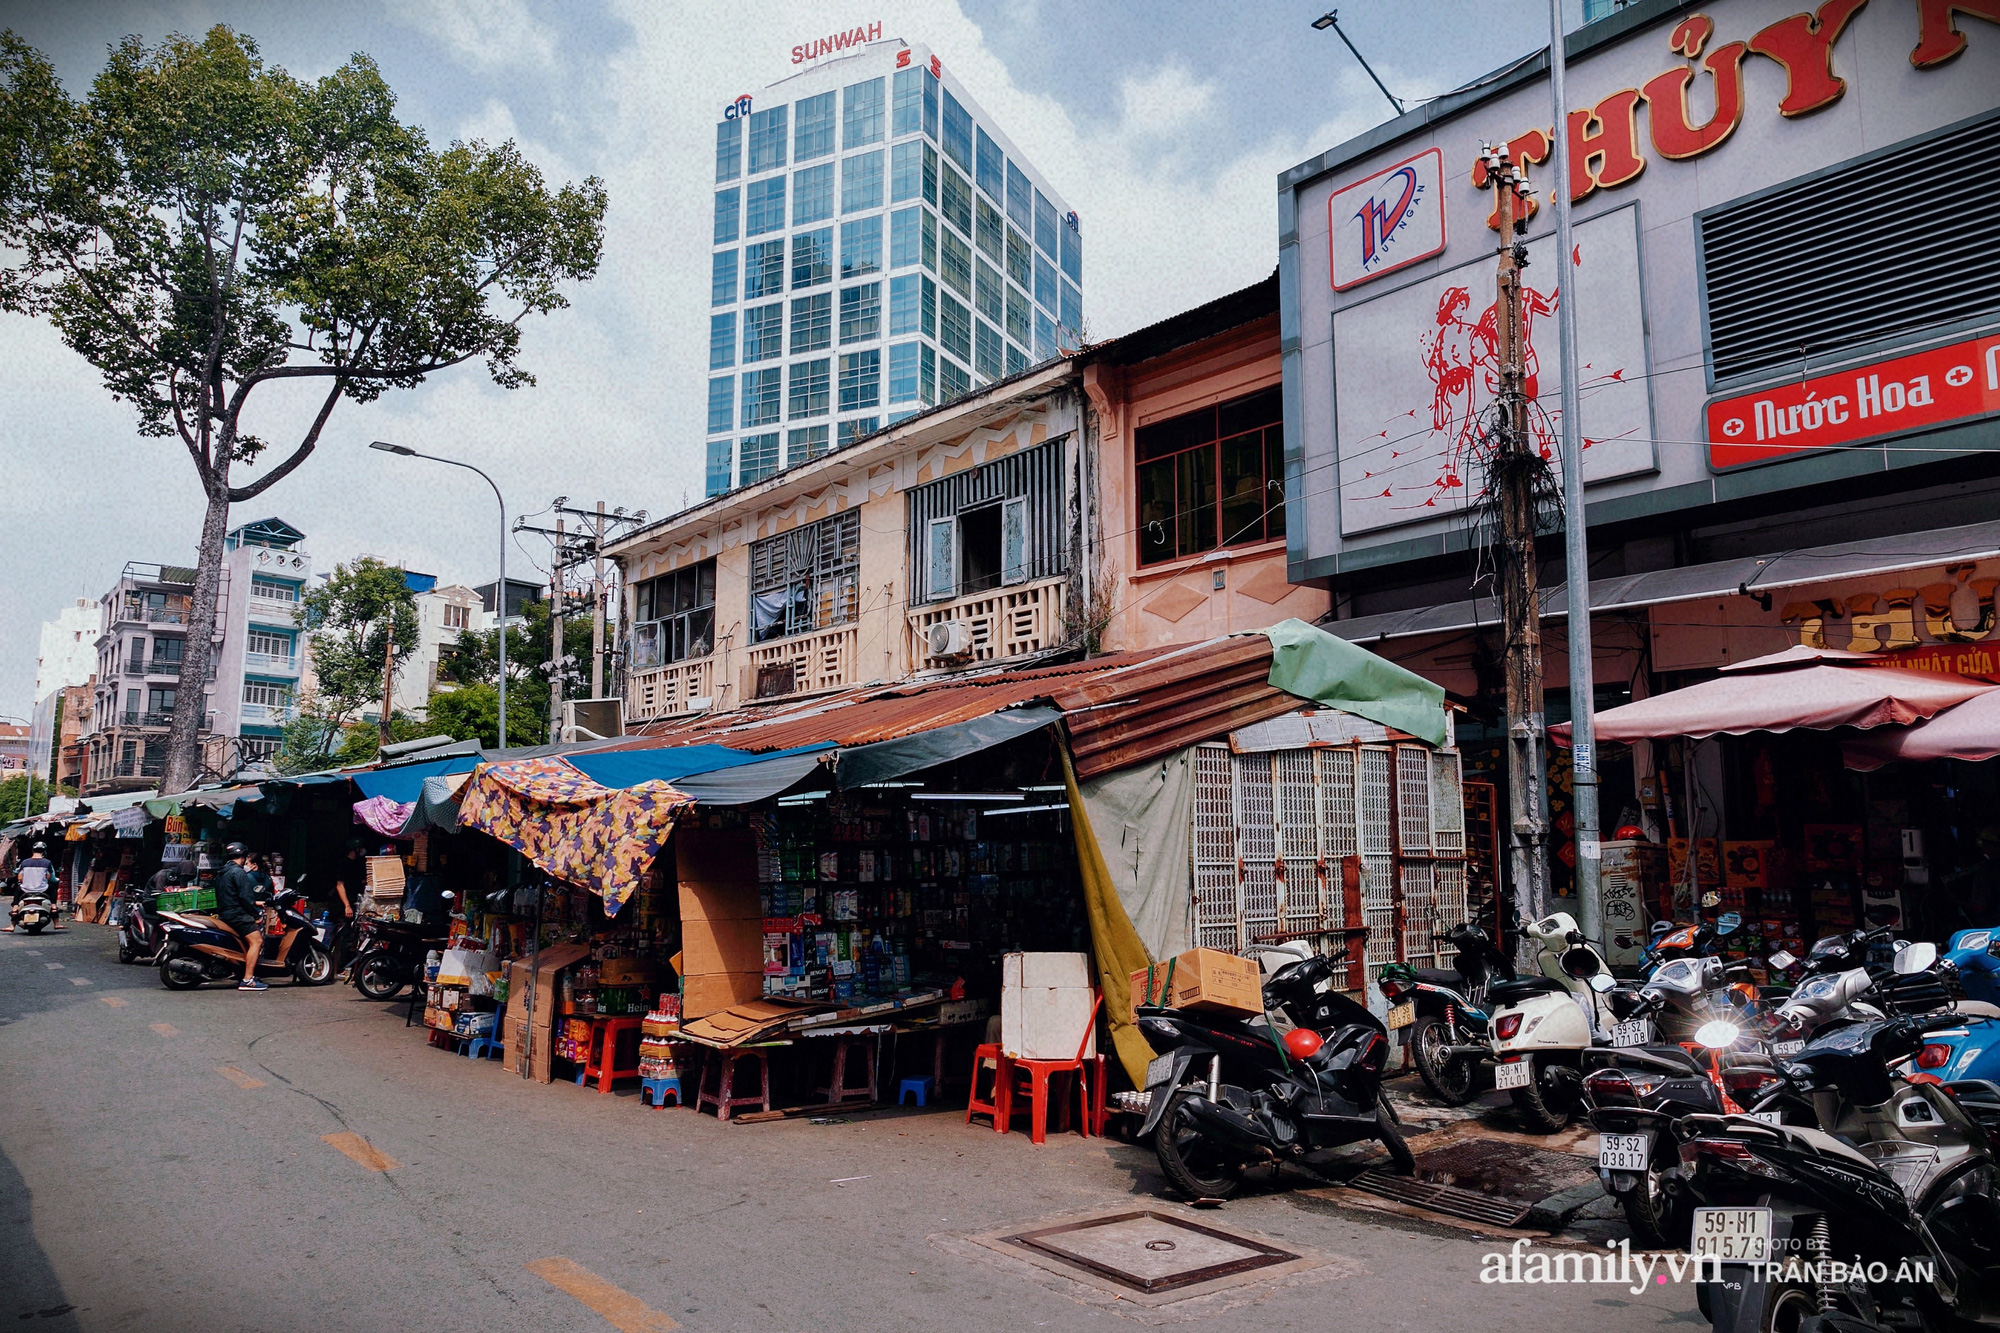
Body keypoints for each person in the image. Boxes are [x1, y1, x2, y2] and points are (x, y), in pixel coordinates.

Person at [213, 843, 268, 991]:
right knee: (257, 941)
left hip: (225, 913)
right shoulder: (239, 873)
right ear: (242, 857)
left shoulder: (222, 872)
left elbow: (230, 894)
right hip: (237, 915)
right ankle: (248, 980)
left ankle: (242, 972)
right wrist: (255, 915)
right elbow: (245, 897)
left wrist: (255, 902)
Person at [5, 842, 59, 933]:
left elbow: (20, 878)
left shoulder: (24, 862)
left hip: (25, 889)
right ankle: (55, 915)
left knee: (17, 893)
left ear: (33, 850)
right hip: (42, 889)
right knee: (53, 887)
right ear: (44, 851)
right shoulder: (47, 863)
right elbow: (50, 878)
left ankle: (12, 922)